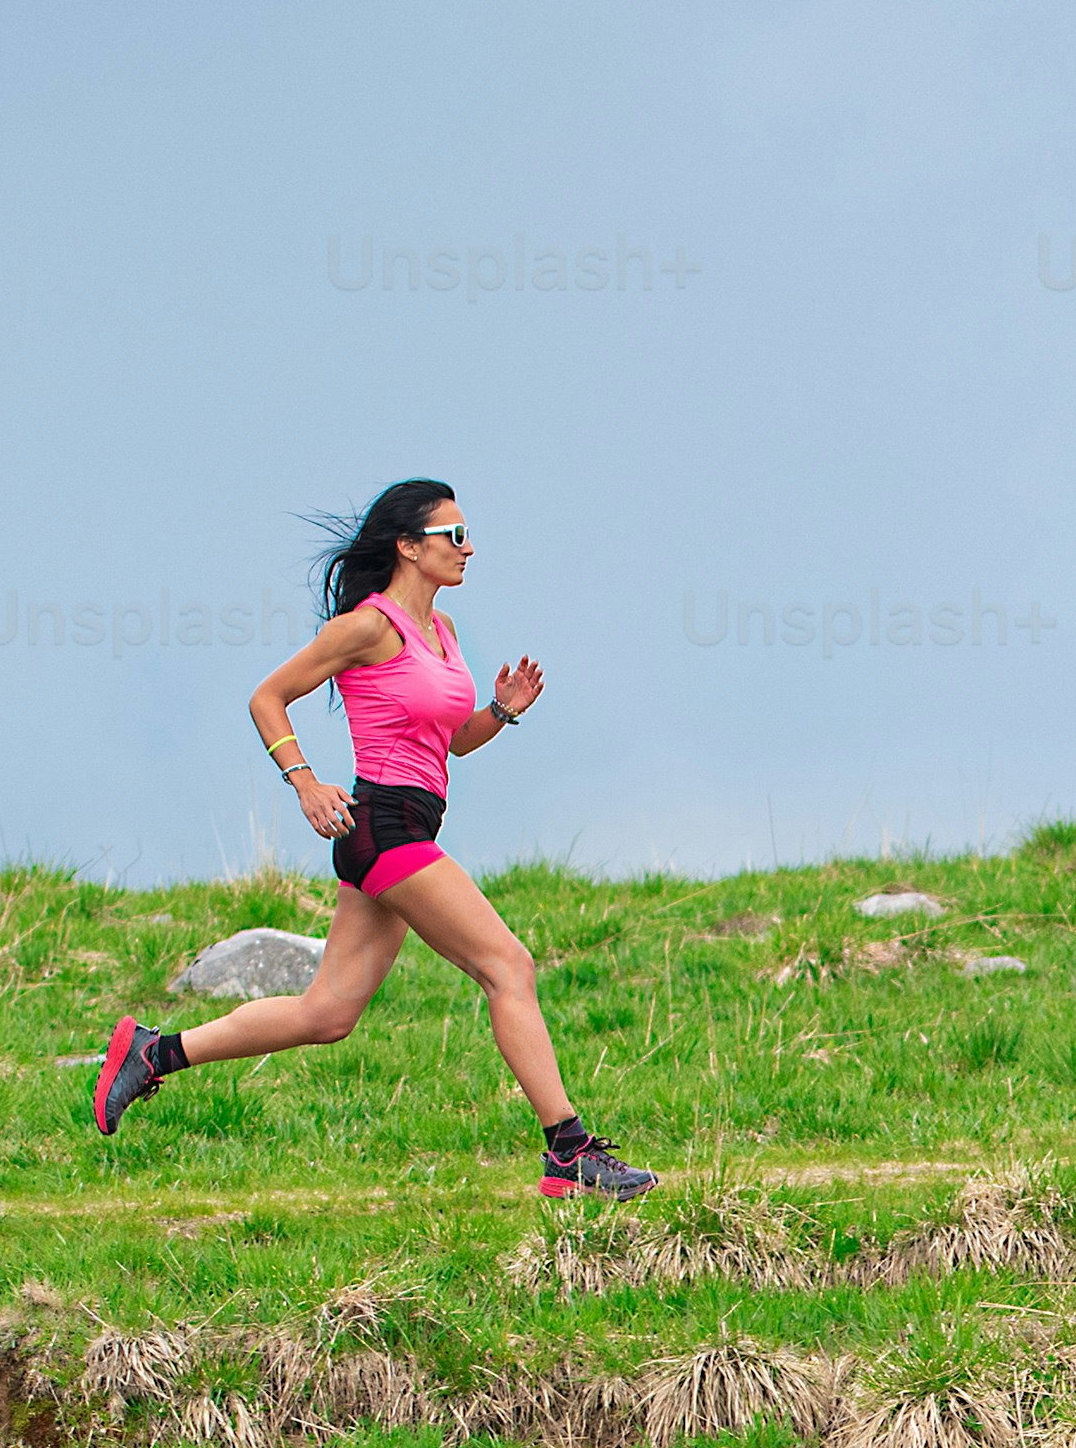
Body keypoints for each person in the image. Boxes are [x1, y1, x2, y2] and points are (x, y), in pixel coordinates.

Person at [87, 479, 653, 1197]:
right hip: (382, 827)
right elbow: (267, 697)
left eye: (466, 533)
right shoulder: (367, 627)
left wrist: (501, 713)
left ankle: (153, 1052)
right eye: (454, 535)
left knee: (326, 1014)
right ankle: (568, 1151)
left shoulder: (441, 634)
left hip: (407, 824)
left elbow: (447, 744)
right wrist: (305, 781)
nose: (468, 547)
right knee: (507, 965)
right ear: (408, 547)